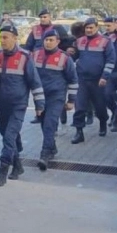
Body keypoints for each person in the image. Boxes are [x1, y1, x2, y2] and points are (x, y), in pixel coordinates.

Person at [0, 24, 44, 187]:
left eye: (5, 37)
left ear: (15, 38)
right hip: (1, 104)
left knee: (9, 137)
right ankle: (18, 165)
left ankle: (3, 171)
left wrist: (39, 104)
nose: (2, 40)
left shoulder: (25, 56)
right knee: (6, 133)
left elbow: (34, 81)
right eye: (1, 37)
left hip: (18, 105)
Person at [33, 30, 78, 170]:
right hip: (39, 97)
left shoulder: (64, 58)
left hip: (56, 97)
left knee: (49, 124)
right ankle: (52, 148)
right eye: (46, 40)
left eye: (51, 40)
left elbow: (73, 80)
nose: (48, 42)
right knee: (43, 124)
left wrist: (71, 100)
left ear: (58, 42)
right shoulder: (35, 55)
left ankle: (45, 154)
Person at [71, 17, 115, 144]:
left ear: (96, 27)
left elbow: (111, 60)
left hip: (98, 80)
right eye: (87, 28)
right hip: (82, 79)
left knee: (100, 107)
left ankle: (102, 122)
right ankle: (79, 132)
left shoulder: (106, 41)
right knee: (79, 106)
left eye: (91, 27)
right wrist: (70, 53)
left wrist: (104, 77)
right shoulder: (79, 41)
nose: (89, 30)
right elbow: (74, 57)